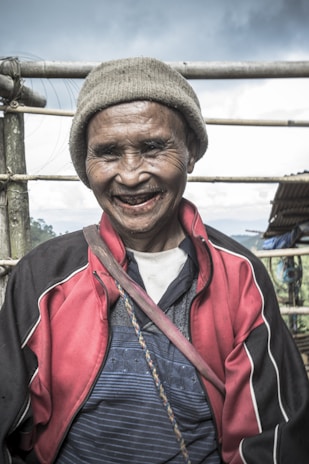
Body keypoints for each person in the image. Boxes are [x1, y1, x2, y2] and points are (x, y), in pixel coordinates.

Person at [0, 57, 308, 464]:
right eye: (108, 153)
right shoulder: (42, 277)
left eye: (152, 147)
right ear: (85, 166)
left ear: (191, 152)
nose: (129, 175)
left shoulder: (239, 276)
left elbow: (272, 440)